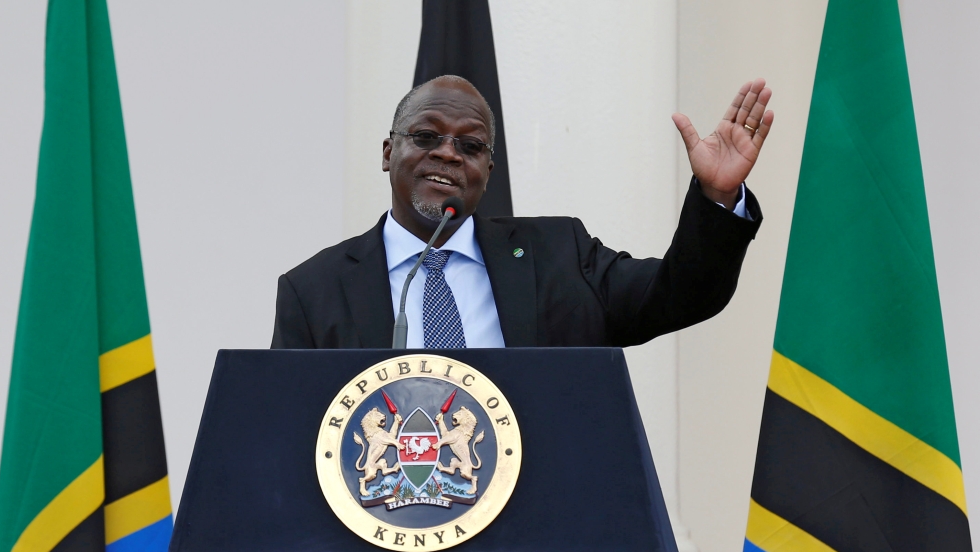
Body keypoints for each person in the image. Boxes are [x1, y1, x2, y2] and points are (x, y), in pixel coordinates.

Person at [271, 75, 772, 349]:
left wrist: (716, 199)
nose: (448, 153)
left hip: (538, 529)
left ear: (488, 170)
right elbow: (284, 426)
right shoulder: (313, 290)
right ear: (387, 153)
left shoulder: (560, 255)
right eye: (426, 137)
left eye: (469, 146)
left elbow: (681, 295)